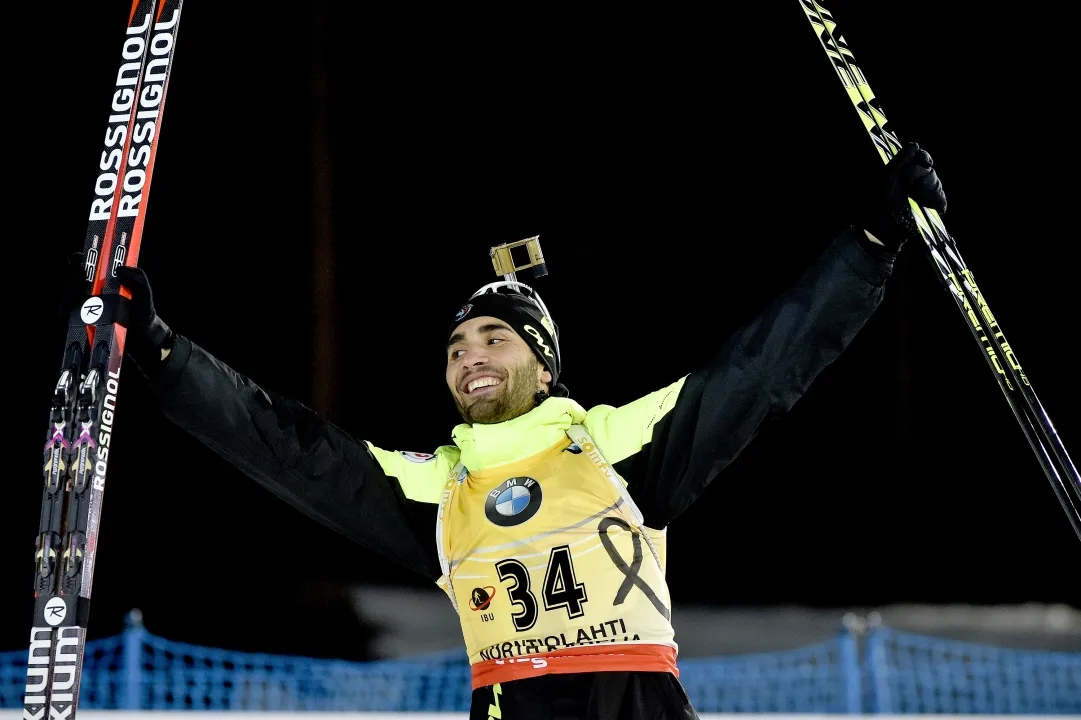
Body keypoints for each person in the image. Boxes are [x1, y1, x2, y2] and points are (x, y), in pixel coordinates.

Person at [110, 142, 946, 719]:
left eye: (493, 339)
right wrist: (162, 352)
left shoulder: (614, 442)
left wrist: (868, 244)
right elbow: (285, 448)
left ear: (543, 366)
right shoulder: (436, 485)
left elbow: (763, 368)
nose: (469, 358)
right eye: (455, 347)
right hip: (514, 699)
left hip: (634, 701)